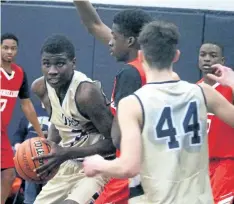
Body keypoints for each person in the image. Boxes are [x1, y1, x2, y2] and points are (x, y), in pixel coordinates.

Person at [83, 20, 234, 203]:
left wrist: (97, 164)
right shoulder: (203, 92)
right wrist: (232, 82)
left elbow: (128, 167)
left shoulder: (132, 104)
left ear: (141, 56)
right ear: (176, 56)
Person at [74, 2, 180, 203]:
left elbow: (118, 136)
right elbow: (95, 25)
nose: (110, 42)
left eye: (114, 37)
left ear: (131, 40)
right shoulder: (159, 68)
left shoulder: (130, 74)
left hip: (134, 169)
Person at [31, 34, 116, 204]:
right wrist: (48, 157)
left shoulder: (86, 93)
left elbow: (113, 144)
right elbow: (58, 122)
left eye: (60, 64)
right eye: (46, 64)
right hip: (68, 163)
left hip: (99, 165)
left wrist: (67, 153)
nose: (52, 71)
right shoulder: (40, 87)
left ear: (73, 63)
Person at [1, 33, 44, 204]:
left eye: (13, 48)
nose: (9, 51)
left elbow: (26, 106)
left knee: (9, 174)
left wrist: (40, 134)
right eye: (5, 47)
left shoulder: (19, 74)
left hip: (1, 132)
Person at [197, 43, 234, 204]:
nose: (207, 59)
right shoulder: (194, 89)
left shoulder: (229, 87)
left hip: (225, 162)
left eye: (213, 56)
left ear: (222, 60)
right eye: (203, 54)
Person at [12, 102, 50, 204]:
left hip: (45, 152)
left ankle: (31, 201)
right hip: (24, 151)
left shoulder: (58, 112)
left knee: (33, 160)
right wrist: (17, 145)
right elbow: (18, 133)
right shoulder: (32, 112)